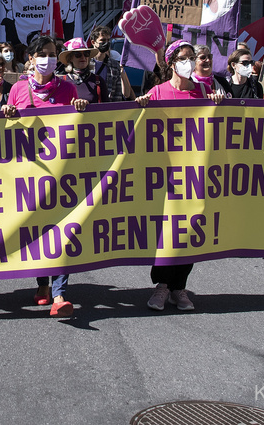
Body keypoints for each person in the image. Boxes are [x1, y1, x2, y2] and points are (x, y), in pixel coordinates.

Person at [134, 40, 225, 312]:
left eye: (191, 57)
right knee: (166, 231)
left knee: (190, 230)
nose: (188, 62)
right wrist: (139, 107)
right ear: (171, 63)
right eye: (183, 58)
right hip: (164, 177)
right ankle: (162, 286)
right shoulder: (158, 92)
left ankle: (179, 287)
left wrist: (220, 104)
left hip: (195, 177)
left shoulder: (205, 91)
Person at [2, 35, 88, 317]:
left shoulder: (68, 89)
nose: (48, 58)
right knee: (37, 232)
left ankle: (60, 293)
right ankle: (43, 284)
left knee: (62, 232)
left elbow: (80, 128)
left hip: (62, 175)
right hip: (29, 176)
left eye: (53, 54)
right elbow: (6, 133)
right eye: (43, 53)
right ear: (30, 58)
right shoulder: (17, 89)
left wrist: (81, 111)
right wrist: (7, 113)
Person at [59, 38, 108, 104]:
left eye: (86, 54)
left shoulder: (98, 81)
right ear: (70, 58)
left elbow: (107, 108)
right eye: (78, 54)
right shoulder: (61, 82)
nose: (83, 57)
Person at [90, 25, 122, 101]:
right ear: (93, 42)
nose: (106, 43)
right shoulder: (86, 63)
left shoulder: (114, 65)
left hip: (108, 108)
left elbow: (117, 93)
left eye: (108, 40)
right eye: (103, 40)